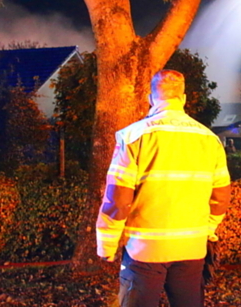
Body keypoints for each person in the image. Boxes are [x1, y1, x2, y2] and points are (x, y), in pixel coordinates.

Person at [96, 70, 231, 307]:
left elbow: (118, 198)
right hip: (192, 248)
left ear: (150, 99)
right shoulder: (210, 140)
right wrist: (206, 230)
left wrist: (106, 245)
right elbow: (220, 196)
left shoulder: (133, 137)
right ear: (184, 99)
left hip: (144, 249)